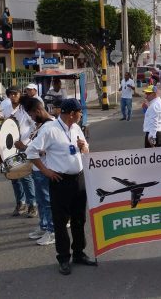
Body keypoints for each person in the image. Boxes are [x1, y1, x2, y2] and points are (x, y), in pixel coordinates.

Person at [32, 99, 96, 275]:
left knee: (79, 219)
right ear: (71, 113)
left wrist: (84, 147)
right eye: (79, 112)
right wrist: (46, 171)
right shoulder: (50, 129)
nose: (81, 115)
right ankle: (63, 258)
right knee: (60, 221)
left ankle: (78, 253)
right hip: (60, 181)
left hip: (79, 179)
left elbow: (86, 150)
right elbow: (31, 151)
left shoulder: (75, 128)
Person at [23, 97, 57, 246]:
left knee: (47, 201)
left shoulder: (49, 126)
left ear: (38, 111)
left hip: (44, 169)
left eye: (31, 115)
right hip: (38, 169)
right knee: (41, 201)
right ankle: (44, 226)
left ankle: (52, 230)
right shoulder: (42, 125)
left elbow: (44, 149)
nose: (31, 118)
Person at [8, 88, 40, 219]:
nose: (13, 96)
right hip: (10, 148)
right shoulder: (5, 107)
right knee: (14, 177)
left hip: (23, 148)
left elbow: (36, 126)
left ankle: (32, 204)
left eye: (16, 94)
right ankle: (21, 204)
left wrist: (27, 144)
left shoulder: (25, 110)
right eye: (11, 94)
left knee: (25, 177)